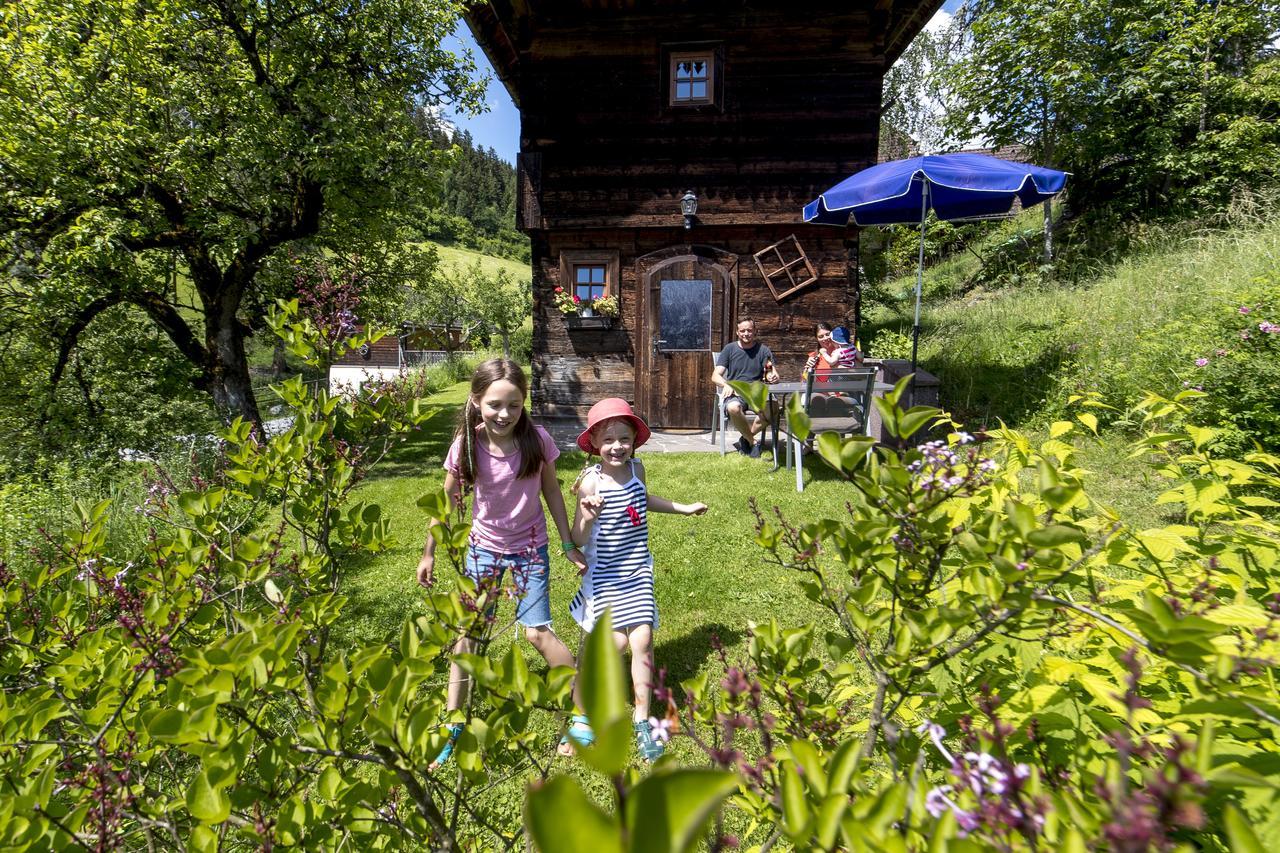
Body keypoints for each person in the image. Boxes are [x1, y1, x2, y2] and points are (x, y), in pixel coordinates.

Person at [416, 358, 590, 765]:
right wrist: (429, 552)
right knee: (469, 634)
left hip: (531, 550)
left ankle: (583, 712)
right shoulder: (466, 445)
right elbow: (448, 501)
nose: (504, 414)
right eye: (494, 404)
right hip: (482, 550)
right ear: (476, 401)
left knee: (536, 634)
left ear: (523, 402)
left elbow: (552, 493)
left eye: (513, 405)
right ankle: (453, 723)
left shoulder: (537, 440)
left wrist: (567, 544)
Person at [568, 398, 707, 761]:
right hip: (605, 578)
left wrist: (682, 507)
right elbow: (579, 538)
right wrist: (585, 516)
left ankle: (641, 717)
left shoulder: (637, 470)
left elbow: (642, 500)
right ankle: (583, 714)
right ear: (595, 444)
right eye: (609, 440)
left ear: (634, 441)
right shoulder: (590, 484)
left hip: (637, 571)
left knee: (642, 642)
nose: (618, 446)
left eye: (624, 439)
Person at [713, 317, 780, 457]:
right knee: (733, 407)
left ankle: (746, 438)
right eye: (742, 330)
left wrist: (773, 376)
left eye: (749, 330)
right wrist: (725, 384)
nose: (746, 333)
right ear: (737, 332)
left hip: (757, 394)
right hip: (736, 392)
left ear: (755, 331)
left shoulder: (763, 350)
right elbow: (715, 376)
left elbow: (770, 372)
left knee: (773, 406)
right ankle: (754, 442)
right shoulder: (729, 349)